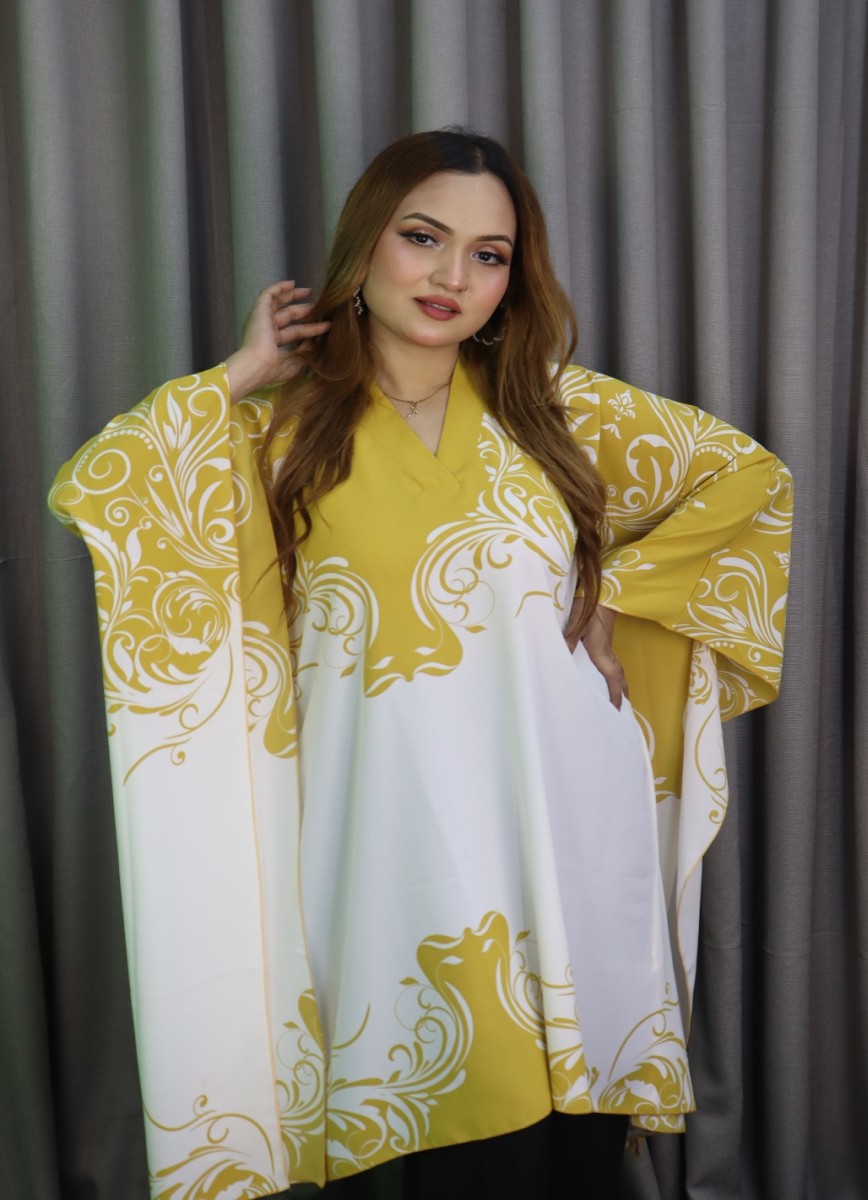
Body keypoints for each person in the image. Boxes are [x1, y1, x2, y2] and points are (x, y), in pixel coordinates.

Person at [49, 130, 792, 1200]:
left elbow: (747, 481)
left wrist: (613, 598)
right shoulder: (272, 434)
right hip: (390, 840)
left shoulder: (553, 408)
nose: (453, 276)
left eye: (489, 255)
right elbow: (107, 487)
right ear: (366, 244)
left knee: (577, 1149)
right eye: (423, 237)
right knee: (440, 1128)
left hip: (566, 821)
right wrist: (243, 372)